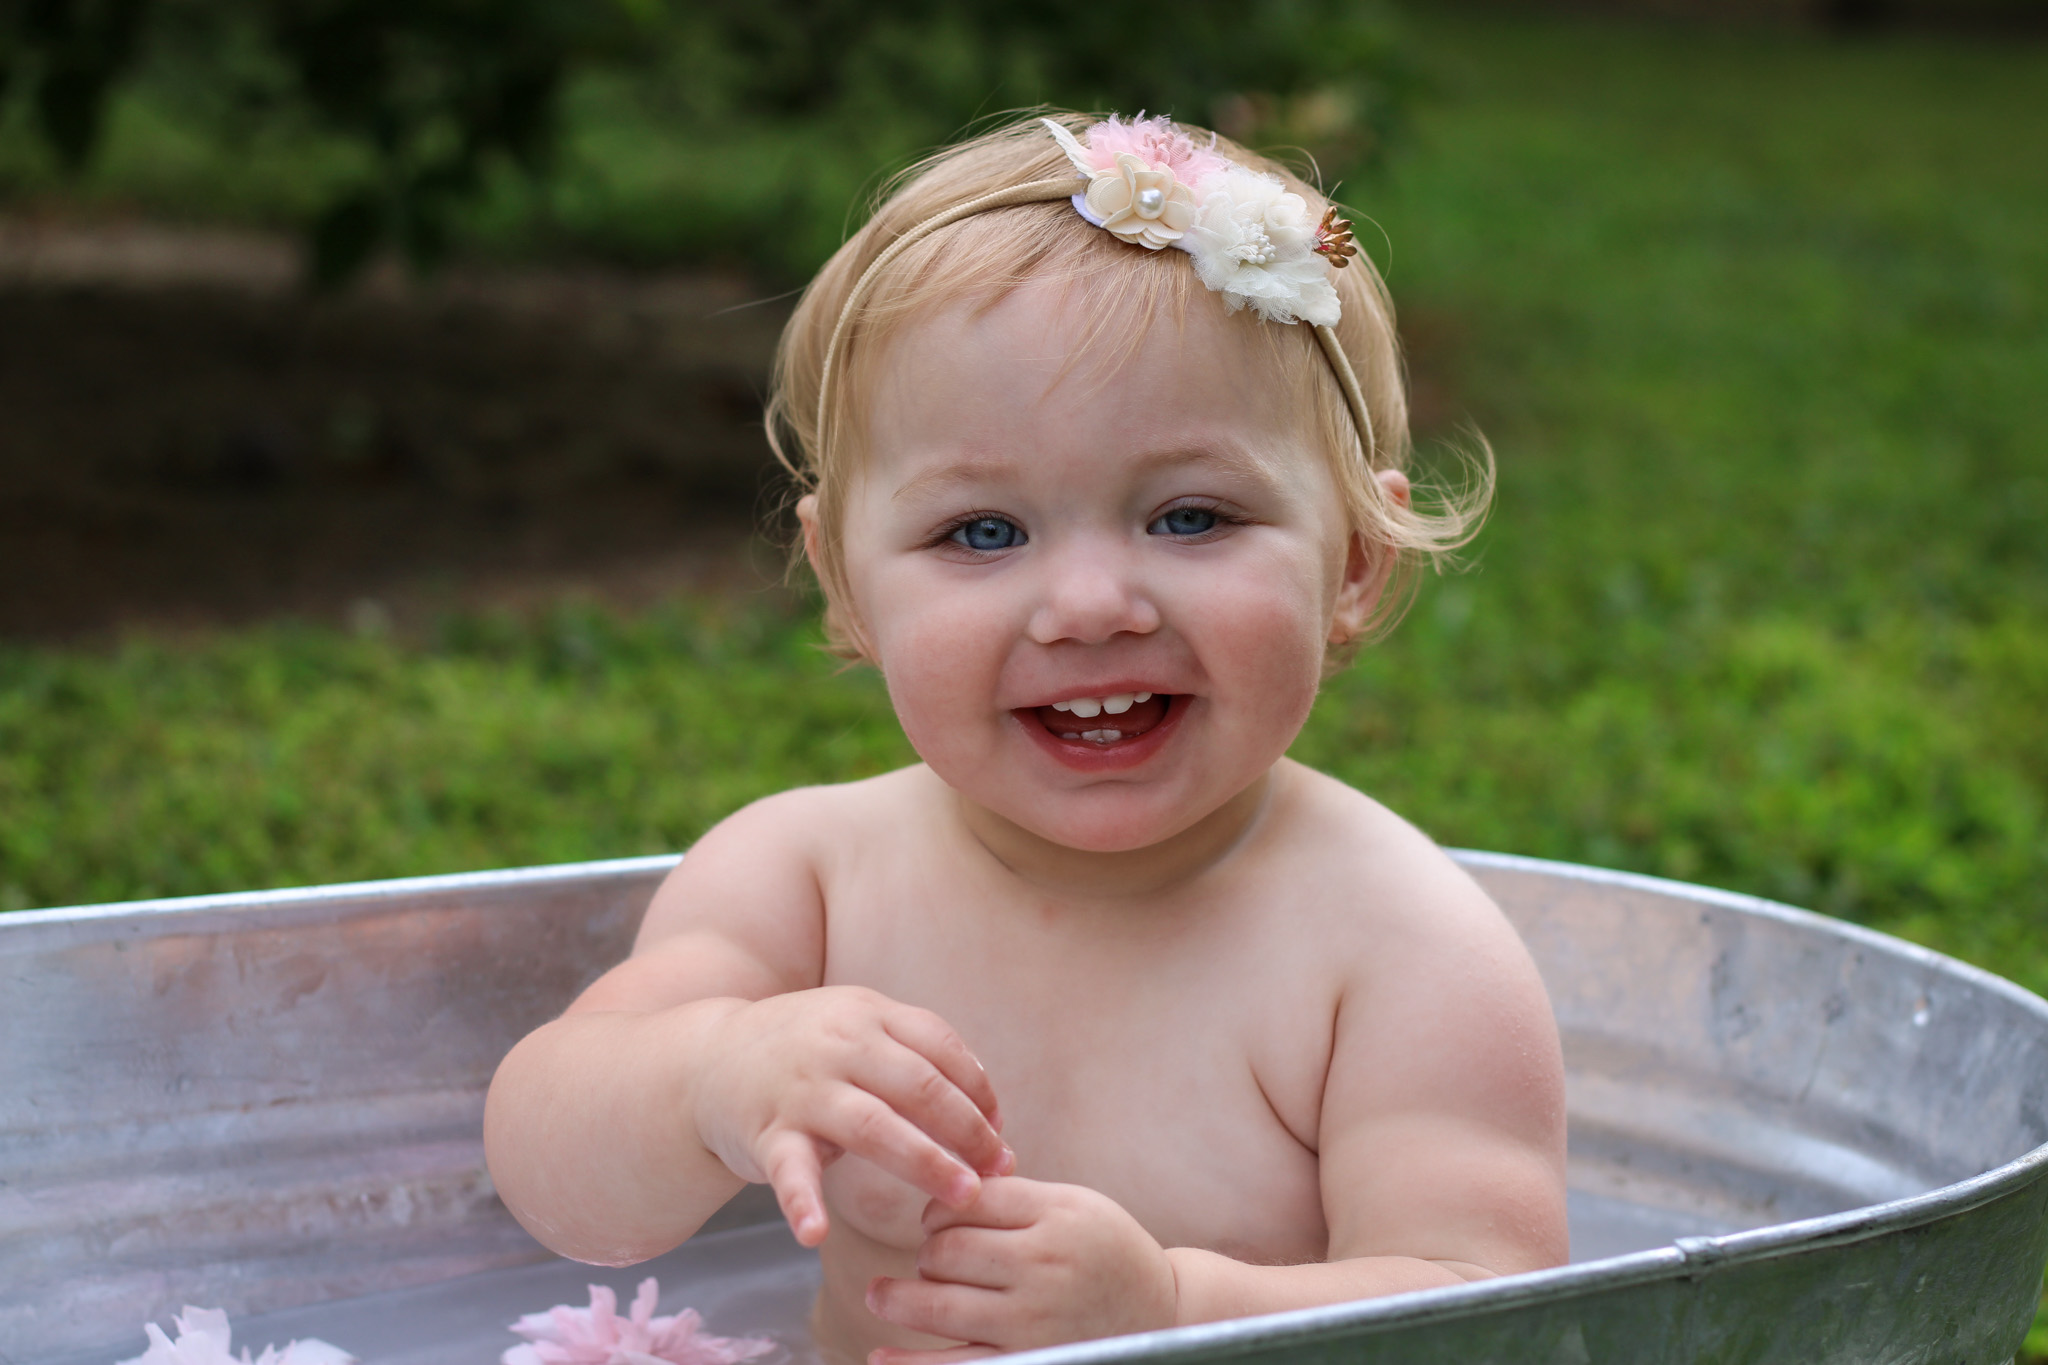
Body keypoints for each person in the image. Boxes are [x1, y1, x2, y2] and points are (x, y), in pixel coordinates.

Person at [484, 112, 1568, 1365]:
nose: (1091, 605)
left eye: (1191, 515)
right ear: (842, 579)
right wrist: (711, 1076)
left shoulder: (1399, 952)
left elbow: (1497, 1320)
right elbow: (552, 1182)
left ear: (1356, 562)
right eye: (982, 534)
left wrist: (1173, 1313)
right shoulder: (806, 879)